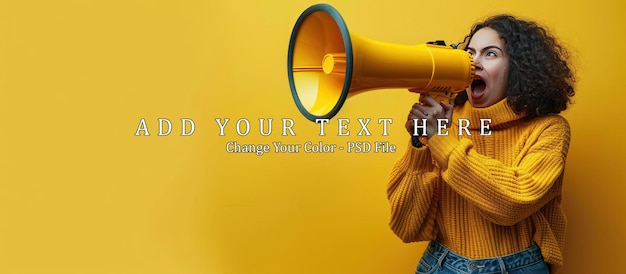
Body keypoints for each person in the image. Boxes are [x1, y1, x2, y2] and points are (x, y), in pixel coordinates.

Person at [387, 14, 575, 274]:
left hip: (518, 266)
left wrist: (441, 140)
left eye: (490, 54)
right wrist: (419, 144)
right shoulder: (445, 122)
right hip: (443, 264)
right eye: (470, 53)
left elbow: (512, 204)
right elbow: (407, 227)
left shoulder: (549, 129)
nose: (474, 62)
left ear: (518, 68)